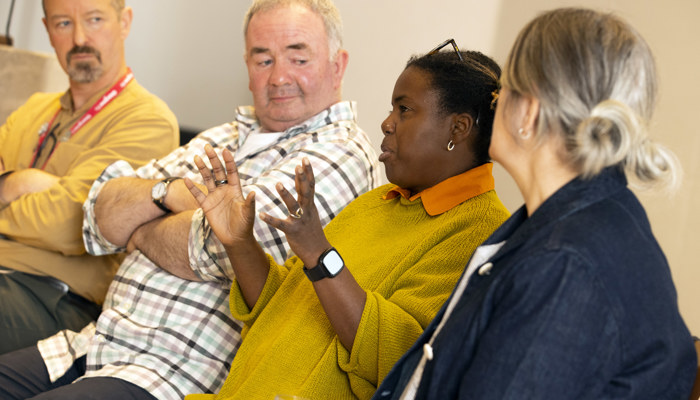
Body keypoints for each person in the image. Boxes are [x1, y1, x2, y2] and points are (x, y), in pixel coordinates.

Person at [0, 0, 379, 399]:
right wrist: (168, 193)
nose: (279, 77)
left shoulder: (343, 151)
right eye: (263, 60)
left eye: (298, 58)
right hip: (93, 344)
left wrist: (139, 228)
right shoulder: (224, 135)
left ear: (338, 65)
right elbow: (99, 213)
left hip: (172, 372)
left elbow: (228, 244)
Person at [373, 8, 698, 400]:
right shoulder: (573, 221)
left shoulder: (565, 265)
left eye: (503, 91)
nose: (494, 105)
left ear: (529, 112)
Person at [184, 44, 510, 400]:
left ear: (458, 128)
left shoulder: (483, 232)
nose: (387, 123)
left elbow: (402, 359)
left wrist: (320, 254)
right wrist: (239, 242)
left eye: (404, 109)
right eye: (391, 109)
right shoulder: (377, 203)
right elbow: (279, 304)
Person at [0, 0, 178, 354]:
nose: (80, 38)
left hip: (54, 298)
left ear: (124, 22)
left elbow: (68, 224)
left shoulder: (147, 120)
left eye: (94, 20)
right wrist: (16, 184)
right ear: (48, 30)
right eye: (63, 23)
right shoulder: (33, 109)